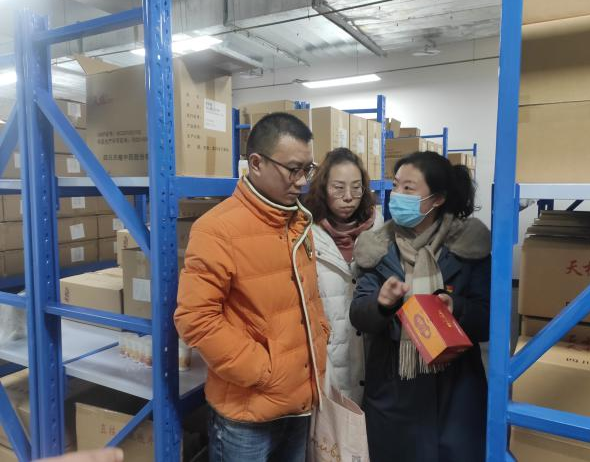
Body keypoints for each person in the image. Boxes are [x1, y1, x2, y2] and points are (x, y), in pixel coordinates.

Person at [174, 112, 330, 462]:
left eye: (308, 169)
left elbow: (308, 297)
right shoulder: (217, 229)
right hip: (247, 413)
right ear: (256, 163)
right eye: (293, 169)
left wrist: (321, 337)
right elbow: (195, 318)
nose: (302, 182)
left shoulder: (297, 221)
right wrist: (264, 371)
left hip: (300, 399)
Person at [350, 151, 491, 462]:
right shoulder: (377, 247)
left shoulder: (468, 246)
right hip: (393, 386)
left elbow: (490, 319)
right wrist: (381, 304)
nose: (397, 195)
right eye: (396, 185)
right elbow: (358, 314)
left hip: (456, 389)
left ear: (437, 199)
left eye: (408, 188)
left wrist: (457, 309)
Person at [303, 148, 383, 404]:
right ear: (323, 188)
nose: (348, 197)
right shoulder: (304, 233)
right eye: (338, 188)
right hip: (327, 362)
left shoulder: (380, 230)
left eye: (356, 188)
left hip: (374, 360)